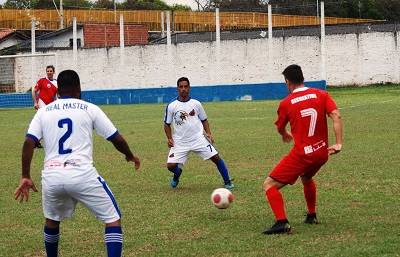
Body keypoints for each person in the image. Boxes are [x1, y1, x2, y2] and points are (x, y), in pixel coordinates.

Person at [14, 69, 140, 257]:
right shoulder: (89, 108)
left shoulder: (43, 112)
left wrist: (25, 175)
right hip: (82, 175)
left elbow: (29, 142)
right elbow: (115, 138)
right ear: (79, 89)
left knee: (52, 220)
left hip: (52, 176)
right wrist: (129, 155)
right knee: (113, 219)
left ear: (57, 92)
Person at [262, 64, 343, 235]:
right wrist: (338, 143)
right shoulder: (322, 94)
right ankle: (311, 215)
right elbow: (336, 115)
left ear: (288, 83)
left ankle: (282, 223)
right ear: (303, 79)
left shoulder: (286, 103)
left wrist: (284, 133)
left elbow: (280, 127)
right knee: (306, 177)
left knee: (269, 184)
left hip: (303, 155)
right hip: (322, 152)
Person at [164, 77, 234, 189]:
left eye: (185, 86)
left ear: (189, 88)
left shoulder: (196, 104)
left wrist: (208, 133)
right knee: (171, 166)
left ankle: (227, 181)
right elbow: (166, 124)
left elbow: (204, 120)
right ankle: (177, 174)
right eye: (181, 86)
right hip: (180, 141)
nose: (183, 89)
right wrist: (169, 138)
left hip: (198, 138)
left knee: (216, 157)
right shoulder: (172, 105)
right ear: (177, 88)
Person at [31, 65, 58, 148]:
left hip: (51, 106)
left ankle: (36, 141)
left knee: (49, 124)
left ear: (54, 72)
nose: (49, 72)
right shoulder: (42, 81)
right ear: (46, 72)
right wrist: (35, 103)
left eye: (51, 71)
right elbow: (34, 91)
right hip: (42, 105)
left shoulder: (57, 82)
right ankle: (36, 141)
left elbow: (59, 95)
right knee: (44, 123)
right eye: (48, 71)